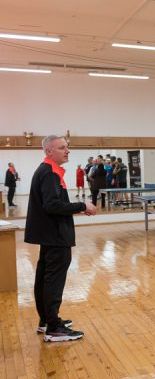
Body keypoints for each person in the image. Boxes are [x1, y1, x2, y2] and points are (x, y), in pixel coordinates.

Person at [24, 135, 97, 341]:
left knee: (45, 278)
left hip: (49, 234)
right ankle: (54, 327)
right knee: (53, 281)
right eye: (62, 147)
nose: (67, 151)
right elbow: (52, 205)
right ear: (49, 151)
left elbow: (51, 203)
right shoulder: (50, 172)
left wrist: (78, 208)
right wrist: (83, 205)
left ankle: (47, 320)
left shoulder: (48, 170)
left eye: (67, 147)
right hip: (55, 235)